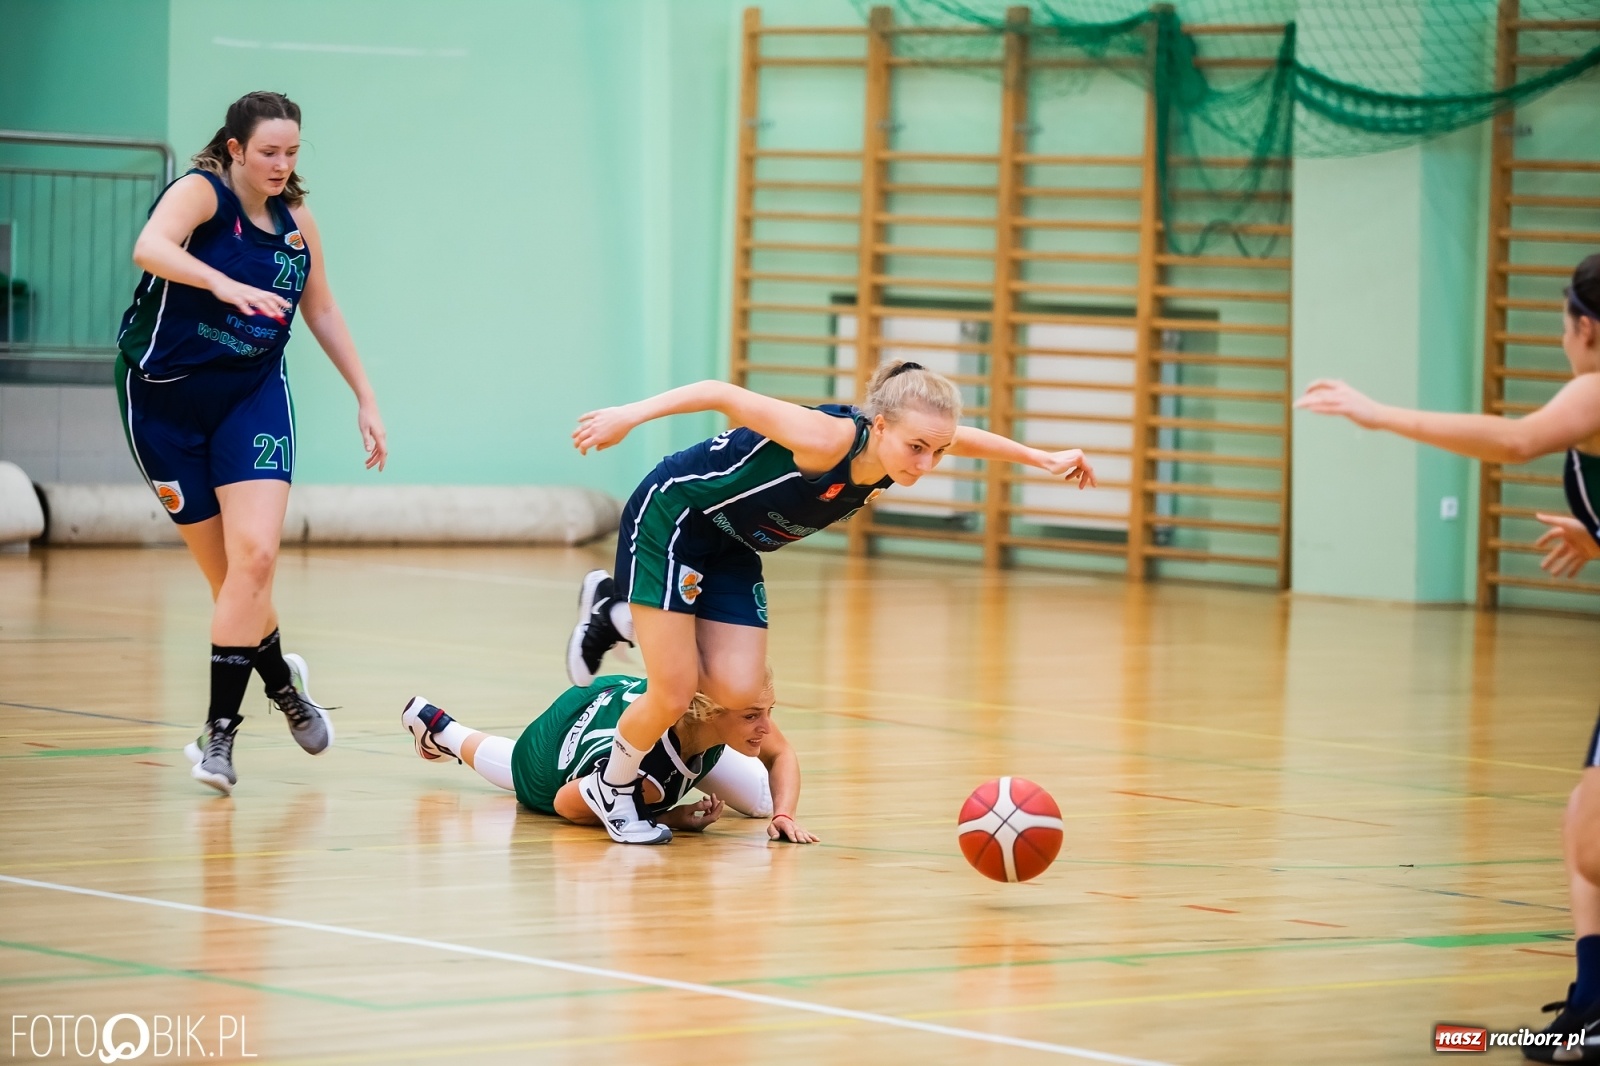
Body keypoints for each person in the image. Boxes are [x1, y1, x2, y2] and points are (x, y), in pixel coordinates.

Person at [564, 359, 1097, 843]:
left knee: (737, 689)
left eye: (939, 450)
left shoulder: (903, 448)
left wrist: (1039, 458)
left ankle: (617, 612)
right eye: (919, 448)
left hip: (732, 543)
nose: (928, 463)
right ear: (881, 426)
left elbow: (966, 438)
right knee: (674, 691)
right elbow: (719, 392)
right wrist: (627, 416)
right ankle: (616, 788)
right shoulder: (823, 439)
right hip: (676, 518)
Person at [1296, 253, 1600, 1063]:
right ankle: (1595, 1003)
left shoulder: (1596, 387)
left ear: (1587, 327)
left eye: (1563, 319)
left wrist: (1377, 412)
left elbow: (1515, 440)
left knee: (1593, 844)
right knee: (1584, 831)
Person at [116, 91, 388, 795]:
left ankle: (219, 738)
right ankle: (281, 681)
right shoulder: (201, 193)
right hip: (164, 402)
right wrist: (221, 282)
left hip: (250, 397)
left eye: (292, 152)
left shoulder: (297, 222)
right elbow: (149, 248)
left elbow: (321, 307)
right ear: (235, 148)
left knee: (256, 558)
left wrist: (366, 396)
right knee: (231, 583)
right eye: (269, 151)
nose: (281, 164)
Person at [399, 670, 818, 844]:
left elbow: (781, 755)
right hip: (553, 756)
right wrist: (668, 817)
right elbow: (566, 802)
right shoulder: (650, 776)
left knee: (766, 801)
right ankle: (444, 731)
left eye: (767, 713)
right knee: (529, 782)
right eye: (752, 716)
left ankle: (436, 725)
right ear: (711, 712)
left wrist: (785, 815)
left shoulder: (724, 707)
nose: (765, 727)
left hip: (626, 703)